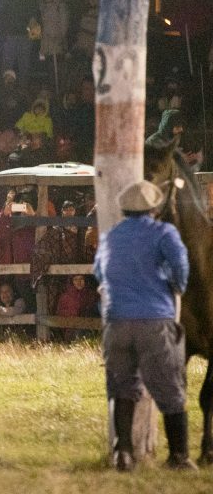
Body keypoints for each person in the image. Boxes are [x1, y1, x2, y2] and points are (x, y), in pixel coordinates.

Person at [95, 180, 194, 471]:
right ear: (154, 207)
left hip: (116, 321)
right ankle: (179, 456)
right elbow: (180, 265)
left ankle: (122, 452)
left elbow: (98, 271)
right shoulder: (164, 232)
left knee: (122, 386)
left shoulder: (110, 236)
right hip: (154, 319)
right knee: (169, 386)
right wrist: (176, 285)